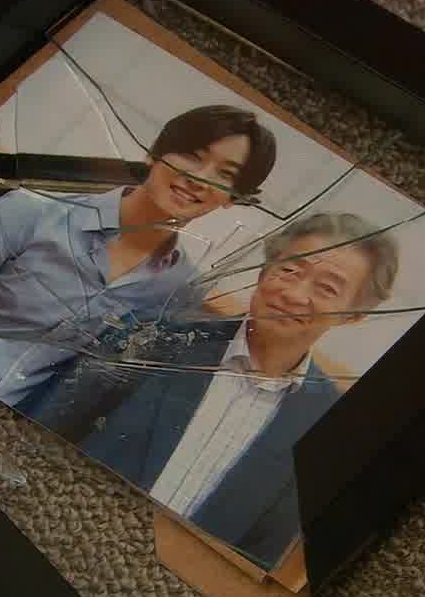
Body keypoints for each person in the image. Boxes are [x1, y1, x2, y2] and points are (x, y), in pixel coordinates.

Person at [0, 105, 278, 406]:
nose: (198, 179)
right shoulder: (33, 212)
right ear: (155, 153)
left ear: (233, 198)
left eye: (224, 175)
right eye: (192, 156)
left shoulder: (180, 288)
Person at [75, 213, 400, 568]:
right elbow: (50, 423)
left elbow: (259, 558)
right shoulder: (153, 336)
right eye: (290, 270)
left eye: (327, 289)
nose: (294, 294)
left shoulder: (331, 428)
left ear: (353, 315)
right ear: (264, 271)